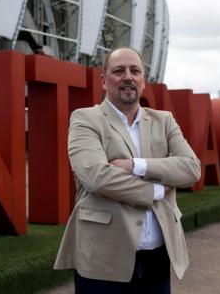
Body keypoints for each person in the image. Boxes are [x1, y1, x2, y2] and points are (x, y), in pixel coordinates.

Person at [54, 47, 201, 293]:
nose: (128, 77)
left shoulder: (164, 121)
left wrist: (136, 165)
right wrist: (157, 189)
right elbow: (97, 177)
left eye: (135, 71)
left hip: (157, 258)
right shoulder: (85, 119)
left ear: (143, 80)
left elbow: (191, 168)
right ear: (103, 80)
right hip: (103, 259)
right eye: (118, 71)